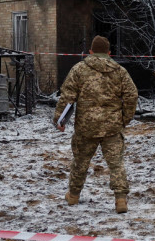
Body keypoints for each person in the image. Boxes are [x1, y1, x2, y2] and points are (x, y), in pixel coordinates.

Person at [53, 36, 138, 213]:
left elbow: (67, 96)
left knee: (80, 161)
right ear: (109, 53)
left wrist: (60, 120)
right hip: (112, 126)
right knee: (116, 163)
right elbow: (131, 95)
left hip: (86, 126)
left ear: (90, 51)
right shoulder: (119, 71)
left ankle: (74, 195)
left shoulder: (79, 69)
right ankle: (120, 199)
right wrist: (125, 118)